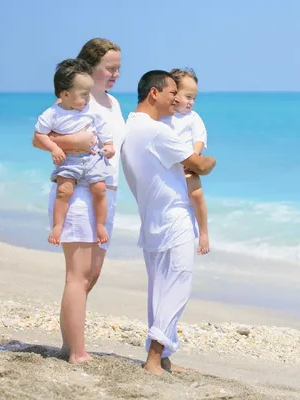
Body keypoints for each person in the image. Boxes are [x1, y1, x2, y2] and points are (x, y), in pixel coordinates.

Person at [32, 38, 125, 364]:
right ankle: (77, 352)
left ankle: (69, 345)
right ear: (90, 66)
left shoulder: (112, 104)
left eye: (118, 68)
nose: (115, 74)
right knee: (78, 274)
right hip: (80, 194)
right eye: (110, 68)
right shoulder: (76, 100)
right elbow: (43, 138)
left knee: (91, 275)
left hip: (106, 190)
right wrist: (75, 141)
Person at [121, 70, 216, 375]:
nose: (177, 99)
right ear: (154, 94)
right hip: (173, 218)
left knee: (159, 290)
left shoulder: (131, 126)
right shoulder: (157, 132)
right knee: (177, 286)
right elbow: (199, 163)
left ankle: (162, 358)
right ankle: (154, 358)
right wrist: (211, 160)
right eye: (172, 92)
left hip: (150, 217)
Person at [34, 58, 115, 246]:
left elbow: (103, 130)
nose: (87, 99)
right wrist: (54, 148)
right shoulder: (52, 114)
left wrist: (109, 145)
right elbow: (39, 135)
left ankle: (100, 225)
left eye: (88, 94)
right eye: (84, 94)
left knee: (100, 189)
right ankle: (57, 226)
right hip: (69, 160)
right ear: (65, 94)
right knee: (64, 191)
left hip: (93, 157)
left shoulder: (91, 110)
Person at [161, 68, 210, 255]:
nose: (191, 102)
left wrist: (193, 156)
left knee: (196, 195)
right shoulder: (166, 117)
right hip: (170, 166)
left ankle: (203, 232)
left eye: (194, 98)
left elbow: (200, 138)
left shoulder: (193, 118)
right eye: (188, 96)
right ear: (174, 94)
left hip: (189, 165)